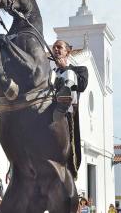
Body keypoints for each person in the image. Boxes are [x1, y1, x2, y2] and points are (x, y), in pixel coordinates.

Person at [51, 40, 88, 178]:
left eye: (59, 47)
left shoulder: (80, 70)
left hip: (67, 113)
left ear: (68, 51)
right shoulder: (50, 72)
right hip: (48, 112)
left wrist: (66, 69)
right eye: (54, 47)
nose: (55, 49)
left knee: (69, 76)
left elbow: (82, 86)